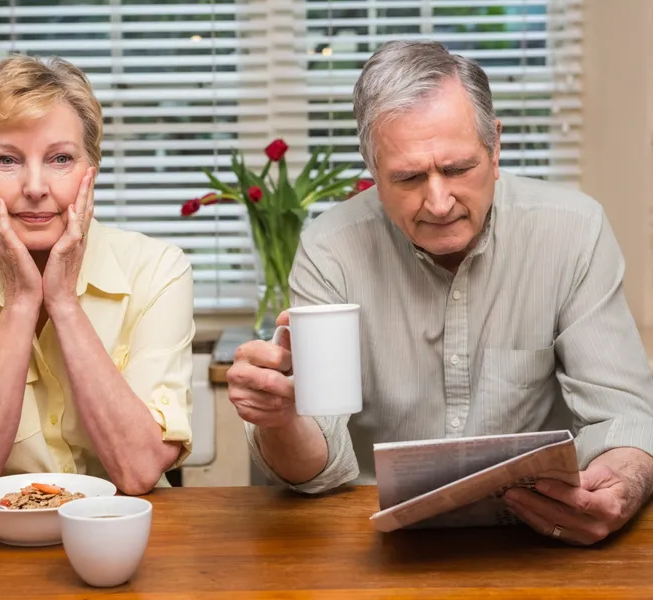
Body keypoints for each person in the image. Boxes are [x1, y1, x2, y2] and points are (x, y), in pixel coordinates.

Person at [227, 41, 653, 545]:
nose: (438, 201)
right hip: (370, 538)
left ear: (494, 148)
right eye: (407, 177)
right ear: (372, 171)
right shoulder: (331, 248)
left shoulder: (573, 230)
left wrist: (621, 484)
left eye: (457, 169)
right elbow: (317, 465)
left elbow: (623, 416)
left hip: (536, 534)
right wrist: (282, 420)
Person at [0, 55, 194, 495]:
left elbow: (139, 469)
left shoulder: (158, 268)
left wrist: (64, 303)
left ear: (92, 170)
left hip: (118, 533)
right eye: (7, 160)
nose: (34, 187)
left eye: (61, 158)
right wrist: (21, 302)